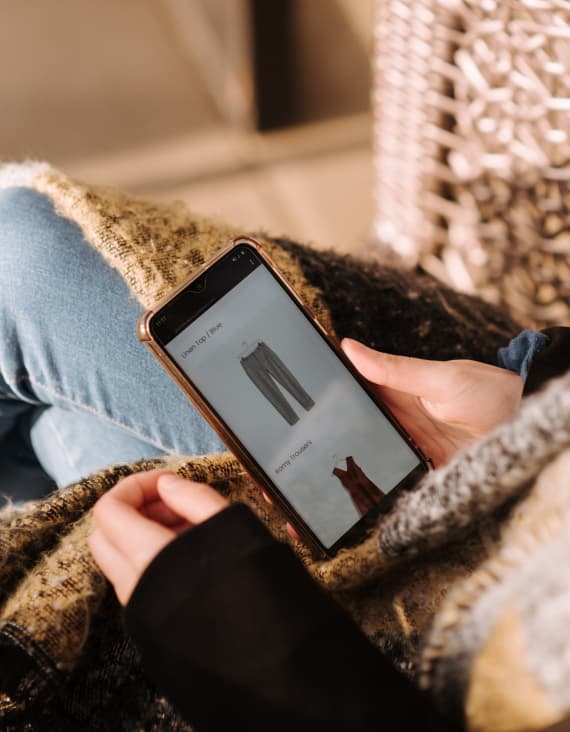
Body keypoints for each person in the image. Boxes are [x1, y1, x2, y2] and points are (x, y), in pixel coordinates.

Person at [2, 184, 569, 729]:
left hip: (346, 672)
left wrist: (271, 662)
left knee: (25, 269)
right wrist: (531, 395)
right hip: (521, 460)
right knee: (35, 330)